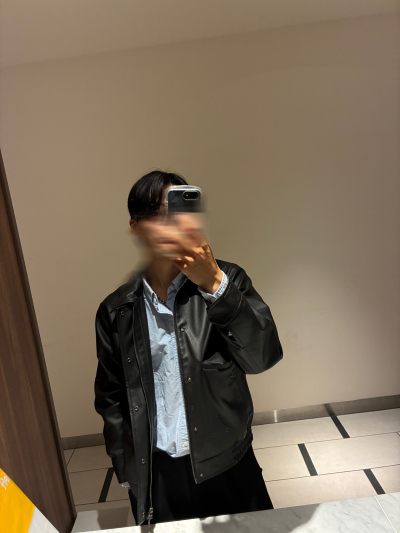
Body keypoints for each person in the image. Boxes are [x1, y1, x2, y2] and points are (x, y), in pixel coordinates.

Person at [94, 169, 283, 526]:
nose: (171, 223)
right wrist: (126, 466)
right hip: (158, 472)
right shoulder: (117, 309)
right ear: (136, 227)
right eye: (158, 213)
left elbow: (262, 358)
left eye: (178, 211)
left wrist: (215, 286)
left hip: (226, 461)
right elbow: (111, 396)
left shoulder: (228, 280)